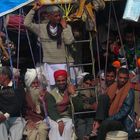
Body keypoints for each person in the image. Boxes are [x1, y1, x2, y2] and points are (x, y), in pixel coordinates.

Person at [24, 2, 76, 90]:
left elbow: (69, 41)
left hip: (66, 62)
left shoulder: (66, 27)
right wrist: (33, 10)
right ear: (49, 16)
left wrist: (65, 27)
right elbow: (26, 23)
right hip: (49, 64)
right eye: (56, 16)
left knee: (69, 87)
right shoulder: (42, 28)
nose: (59, 18)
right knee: (51, 89)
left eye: (59, 15)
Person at [92, 67, 135, 140]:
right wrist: (99, 119)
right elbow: (105, 103)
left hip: (122, 121)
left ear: (128, 78)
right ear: (117, 77)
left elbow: (123, 112)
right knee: (103, 97)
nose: (122, 80)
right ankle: (98, 121)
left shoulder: (129, 91)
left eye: (125, 78)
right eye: (120, 77)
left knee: (105, 124)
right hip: (111, 116)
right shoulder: (113, 87)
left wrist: (108, 119)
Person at [45, 69, 83, 140]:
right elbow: (51, 110)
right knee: (55, 127)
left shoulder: (73, 90)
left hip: (69, 117)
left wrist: (73, 94)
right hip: (55, 118)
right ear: (55, 82)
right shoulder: (51, 94)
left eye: (63, 80)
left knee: (68, 127)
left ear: (66, 80)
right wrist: (59, 121)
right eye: (58, 81)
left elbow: (79, 108)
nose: (61, 82)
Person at [0, 66, 26, 140]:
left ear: (5, 76)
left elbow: (18, 103)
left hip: (16, 118)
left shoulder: (16, 86)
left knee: (17, 134)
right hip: (3, 117)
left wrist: (6, 115)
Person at [24, 68, 49, 140]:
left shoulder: (45, 93)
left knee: (42, 130)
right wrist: (28, 121)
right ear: (29, 84)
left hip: (43, 120)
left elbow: (47, 111)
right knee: (32, 134)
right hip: (30, 121)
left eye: (37, 83)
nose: (36, 85)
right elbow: (23, 111)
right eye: (33, 83)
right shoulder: (25, 94)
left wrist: (42, 102)